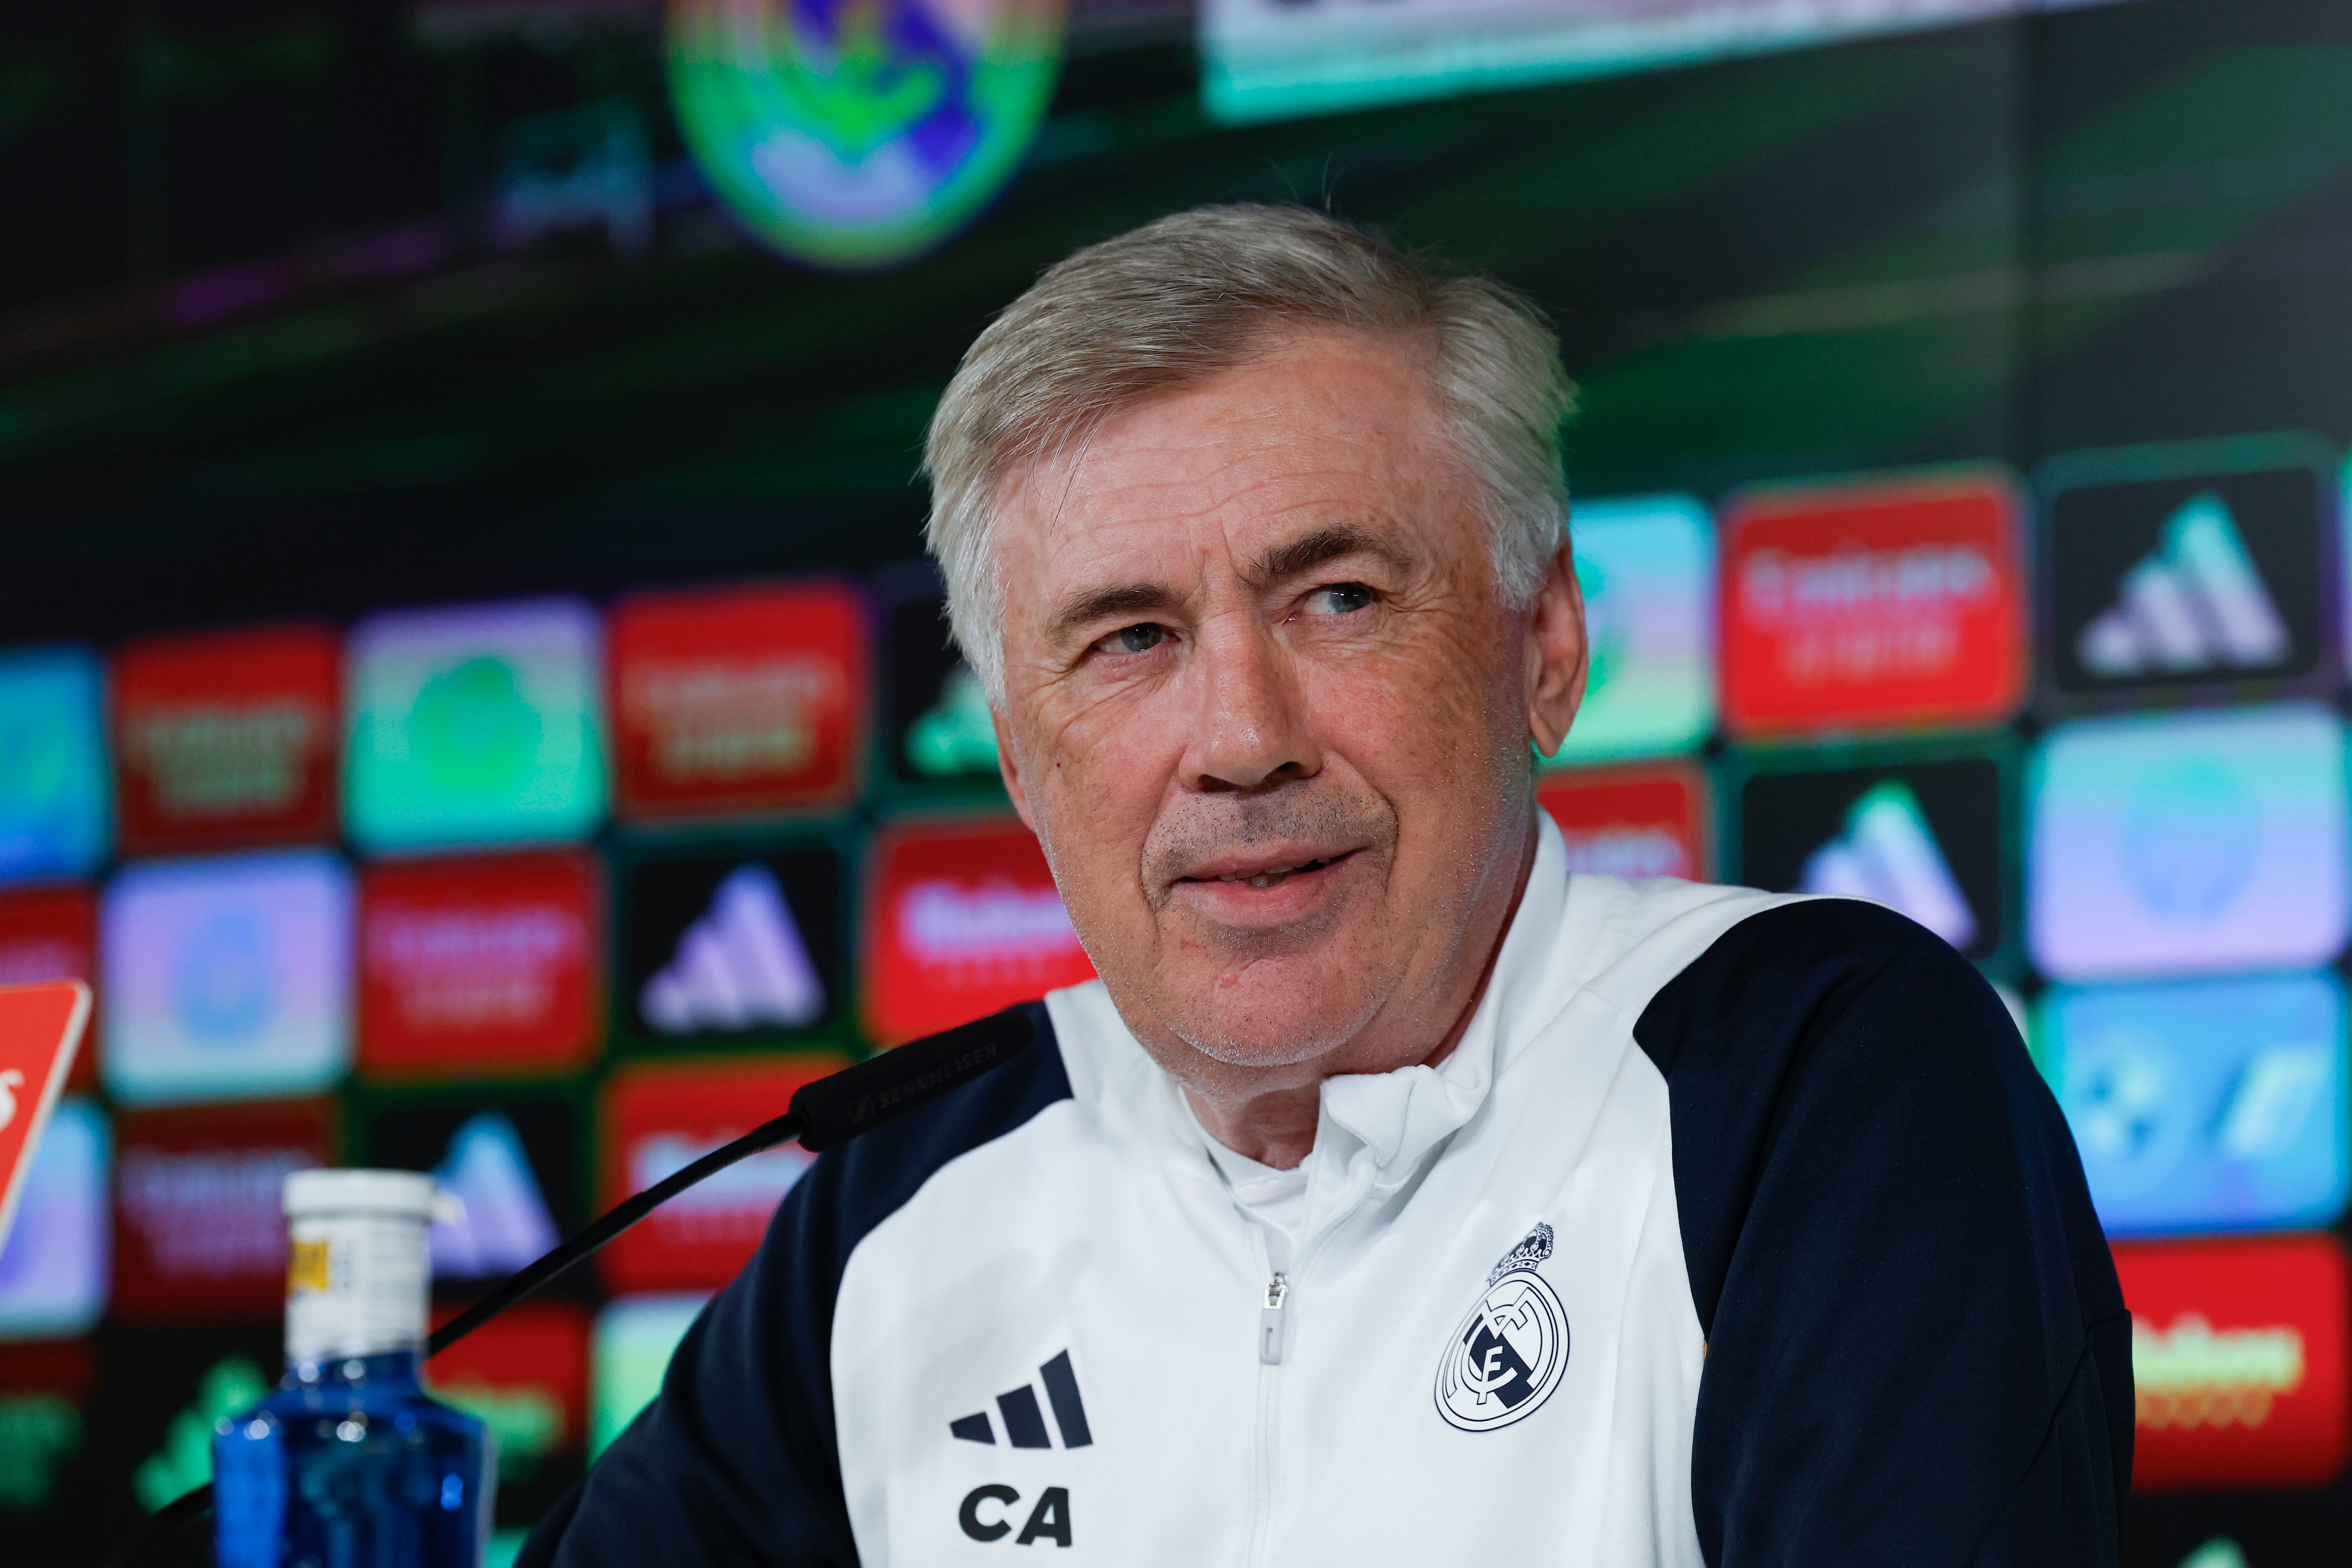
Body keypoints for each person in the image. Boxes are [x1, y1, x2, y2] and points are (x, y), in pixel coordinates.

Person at [523, 205, 2128, 1566]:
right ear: (1021, 763)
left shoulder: (1812, 1073)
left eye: (1340, 597)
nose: (1241, 738)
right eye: (1131, 639)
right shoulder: (904, 1196)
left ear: (1544, 647)